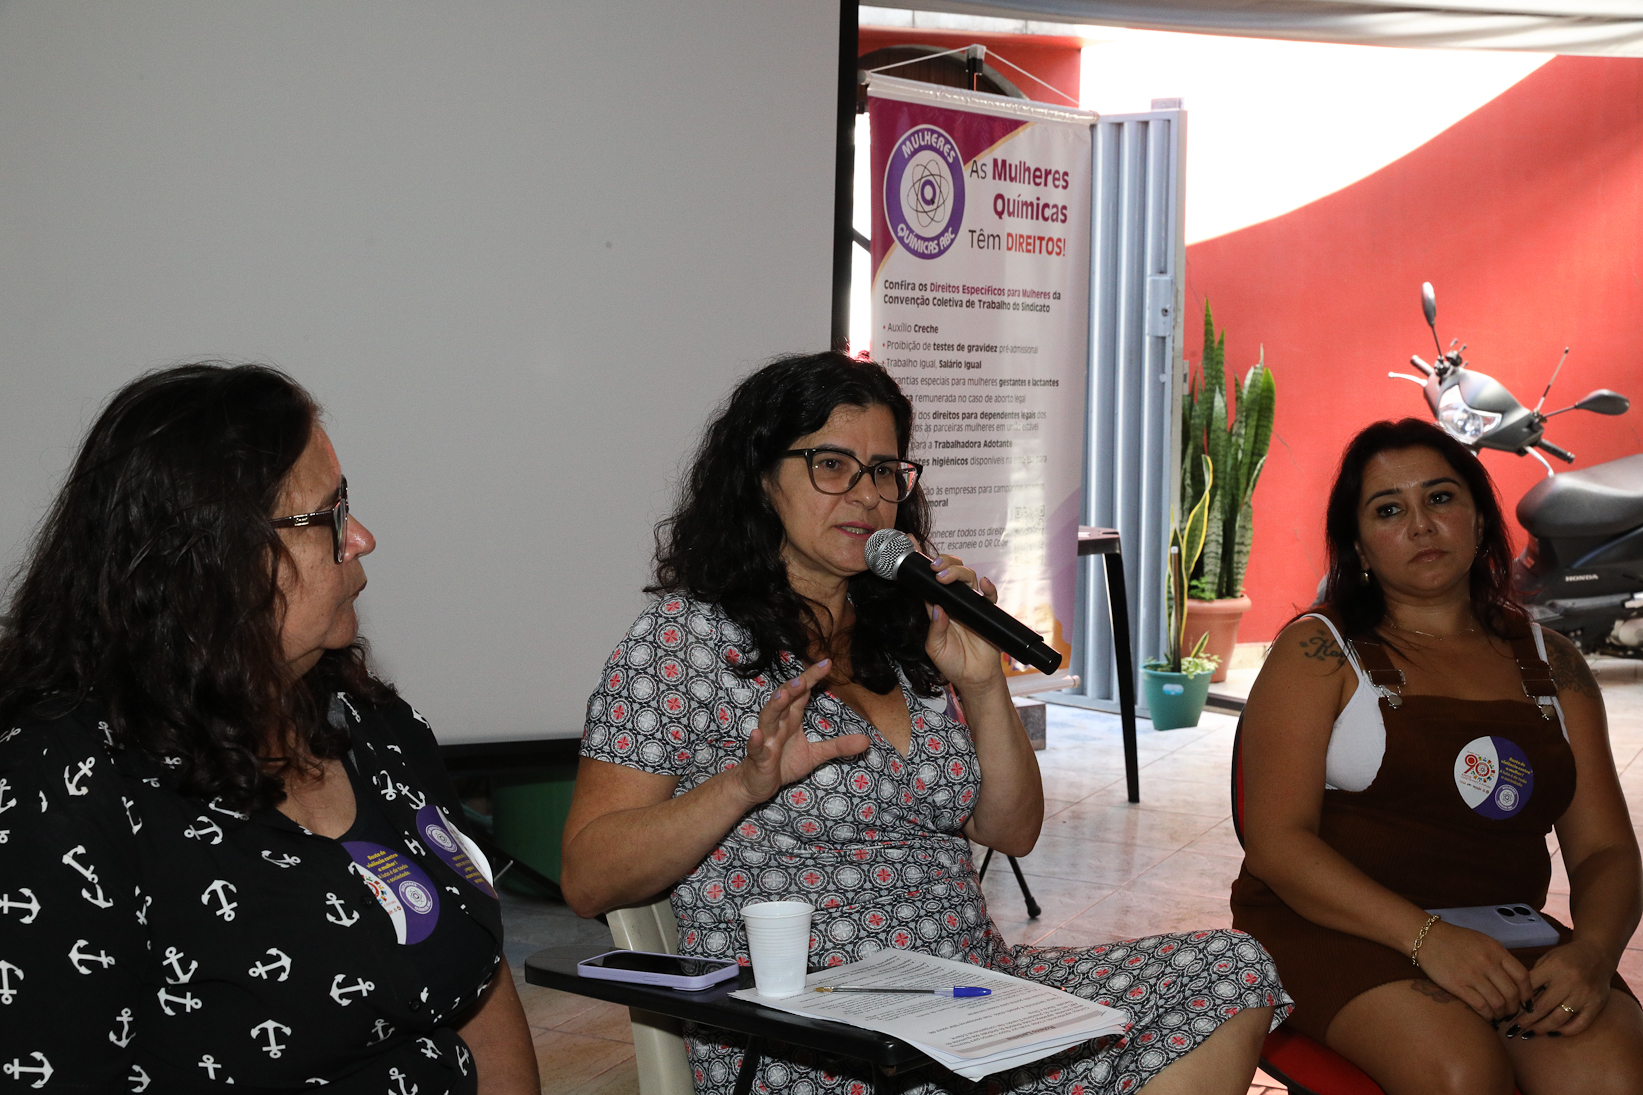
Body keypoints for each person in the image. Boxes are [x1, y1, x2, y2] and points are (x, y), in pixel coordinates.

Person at [562, 351, 1289, 1095]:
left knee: (1231, 972)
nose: (867, 494)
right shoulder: (682, 640)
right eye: (831, 464)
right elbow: (588, 876)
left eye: (883, 471)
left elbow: (1012, 831)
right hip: (814, 1033)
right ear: (759, 478)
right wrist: (740, 786)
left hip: (970, 993)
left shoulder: (906, 630)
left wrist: (980, 684)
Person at [0, 364, 537, 1092]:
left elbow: (474, 982)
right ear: (217, 555)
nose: (364, 538)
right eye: (331, 515)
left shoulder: (374, 729)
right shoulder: (62, 783)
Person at [1233, 417, 1643, 1094]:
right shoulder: (1315, 653)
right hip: (1330, 925)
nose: (1420, 524)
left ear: (1479, 519)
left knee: (1613, 1075)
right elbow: (1276, 843)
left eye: (1440, 498)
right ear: (1360, 546)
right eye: (1388, 509)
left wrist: (1592, 953)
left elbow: (1605, 851)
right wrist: (1425, 938)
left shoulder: (1555, 665)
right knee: (1460, 1072)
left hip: (1498, 935)